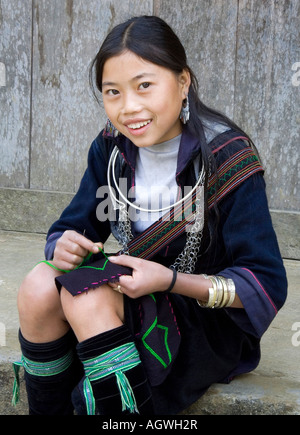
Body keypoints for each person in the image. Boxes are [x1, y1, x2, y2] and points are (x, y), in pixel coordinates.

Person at [14, 15, 287, 415]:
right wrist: (63, 246)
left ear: (182, 81)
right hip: (134, 294)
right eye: (113, 92)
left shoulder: (228, 159)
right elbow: (72, 226)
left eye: (144, 85)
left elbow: (263, 281)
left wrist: (170, 280)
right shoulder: (112, 149)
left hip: (202, 315)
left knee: (86, 298)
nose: (129, 108)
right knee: (39, 284)